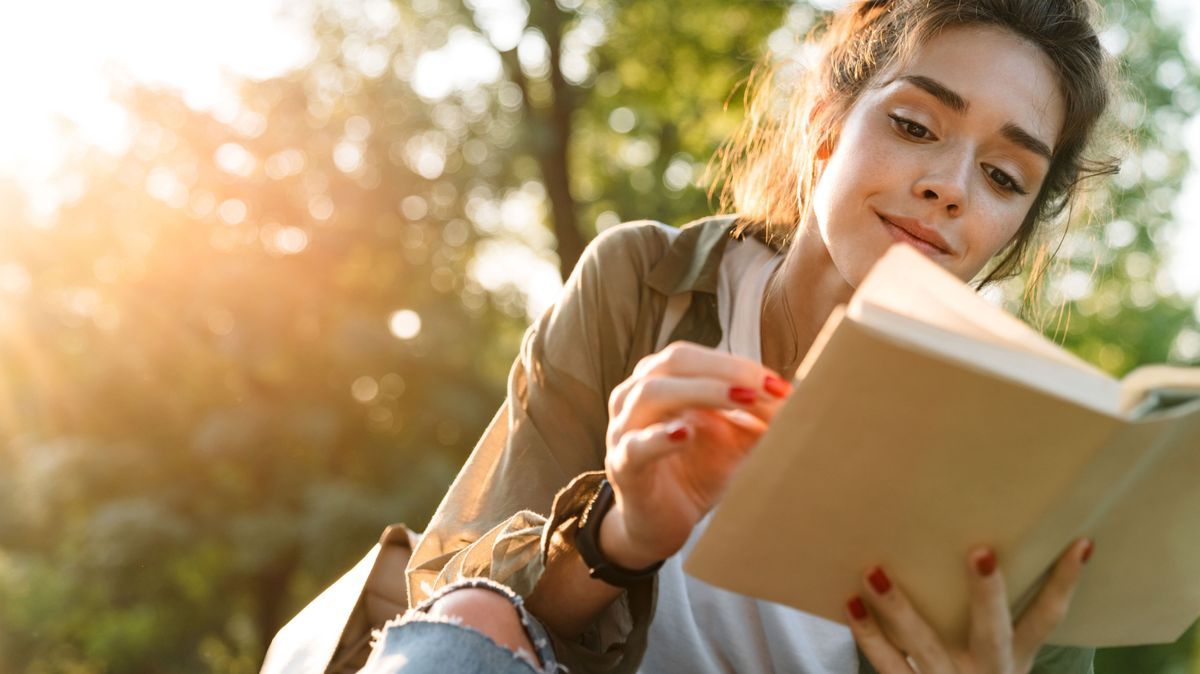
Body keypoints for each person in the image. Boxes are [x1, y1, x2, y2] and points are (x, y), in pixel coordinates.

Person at [361, 0, 1120, 672]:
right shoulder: (643, 285)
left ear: (1017, 227)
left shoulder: (1029, 455)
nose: (950, 186)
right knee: (476, 614)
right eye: (915, 126)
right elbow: (450, 607)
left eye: (1003, 177)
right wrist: (620, 535)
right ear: (828, 120)